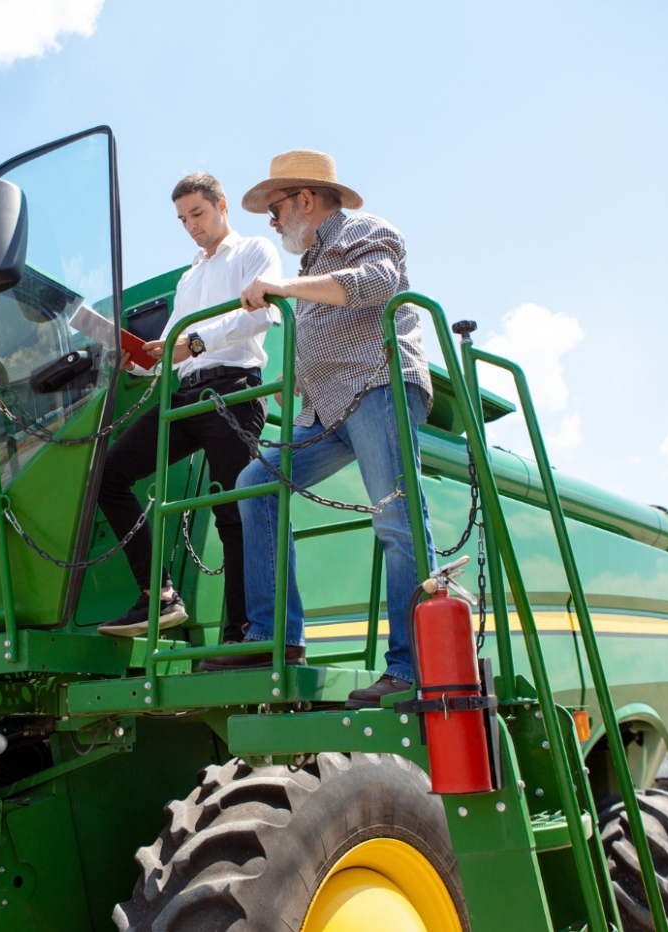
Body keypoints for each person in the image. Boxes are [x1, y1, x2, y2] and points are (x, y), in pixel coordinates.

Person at [201, 150, 435, 710]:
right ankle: (274, 636)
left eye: (276, 209)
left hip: (378, 384)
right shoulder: (308, 269)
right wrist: (297, 378)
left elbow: (373, 285)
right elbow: (328, 328)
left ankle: (411, 670)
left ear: (306, 199)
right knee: (256, 482)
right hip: (328, 407)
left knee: (396, 520)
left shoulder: (365, 230)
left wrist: (280, 289)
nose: (274, 222)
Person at [95, 173, 283, 640]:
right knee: (110, 474)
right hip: (183, 396)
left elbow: (262, 313)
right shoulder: (189, 277)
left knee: (231, 513)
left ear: (222, 205)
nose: (191, 225)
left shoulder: (254, 251)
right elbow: (172, 352)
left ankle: (241, 635)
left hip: (233, 392)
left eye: (197, 213)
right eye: (182, 219)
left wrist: (193, 341)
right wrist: (136, 363)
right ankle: (158, 596)